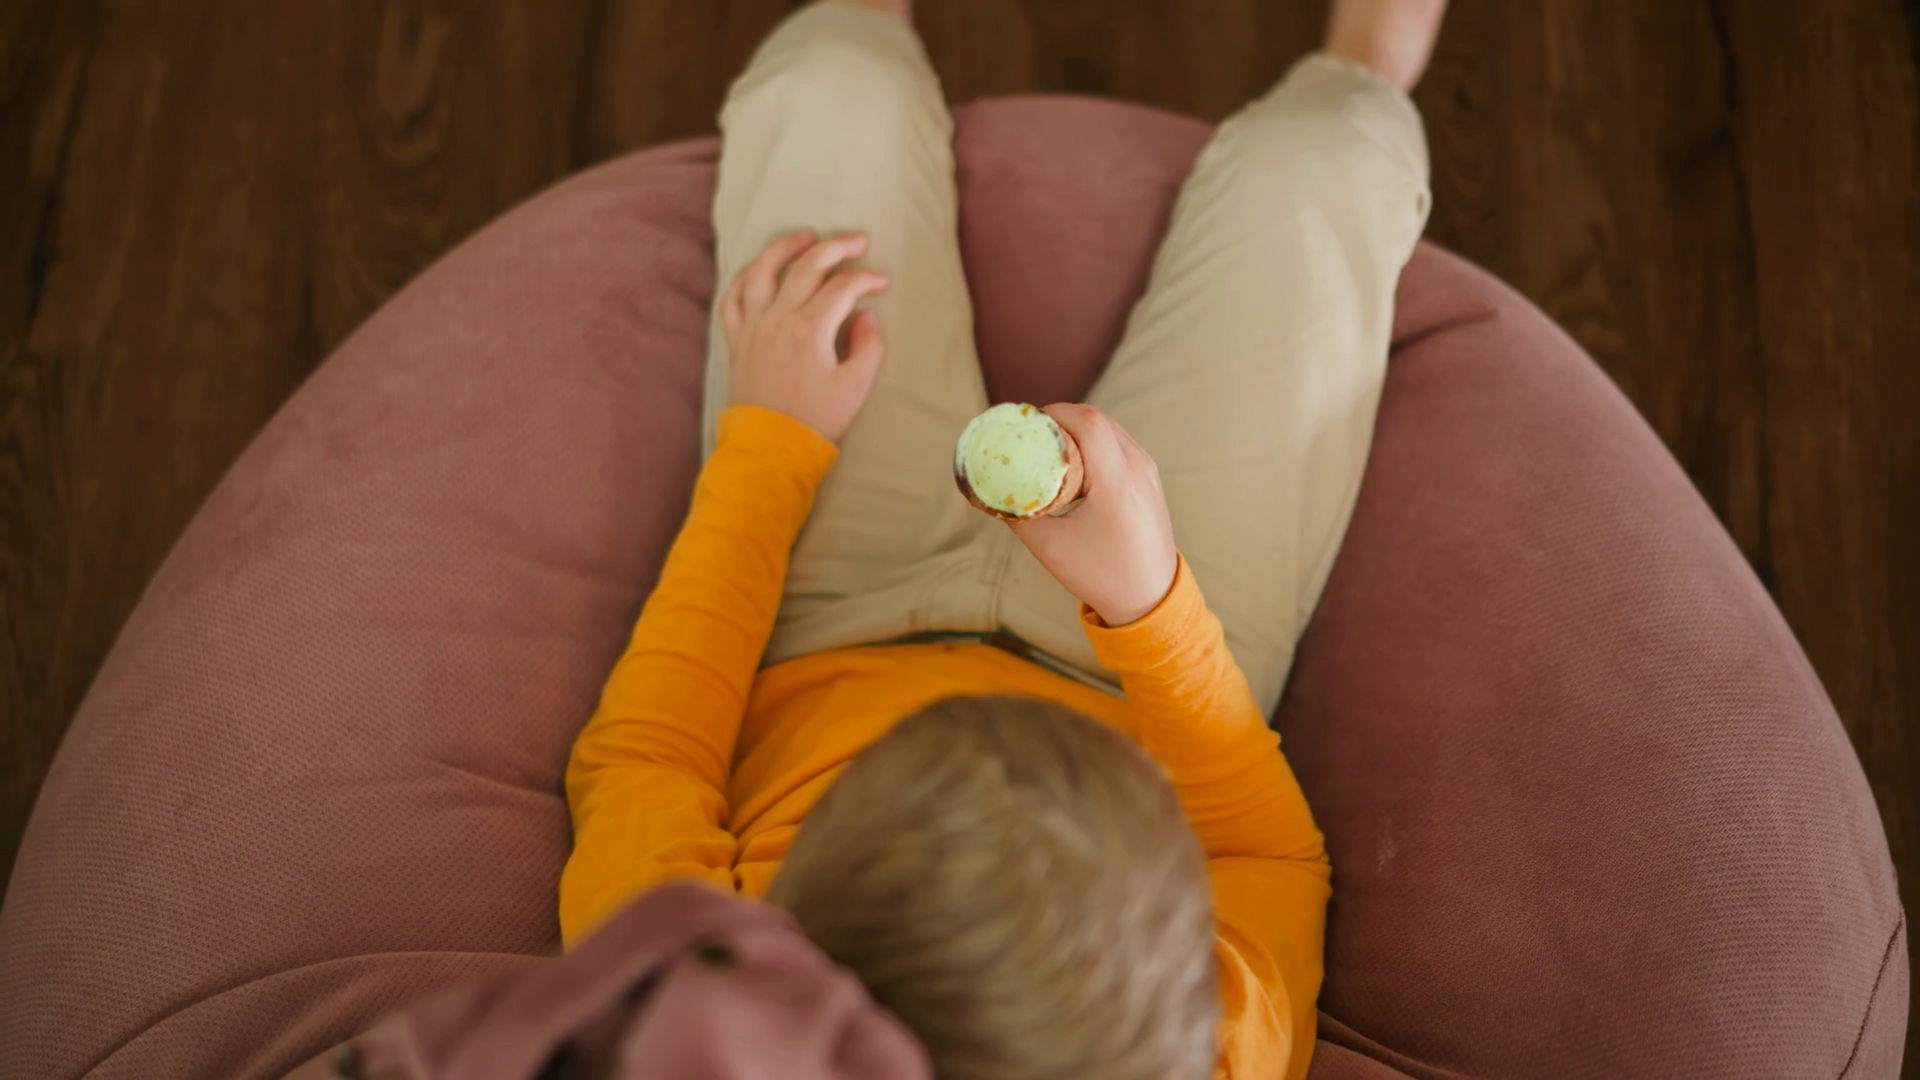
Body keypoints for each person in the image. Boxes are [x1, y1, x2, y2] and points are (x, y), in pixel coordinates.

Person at [560, 0, 1444, 1076]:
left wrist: (771, 441)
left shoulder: (688, 994)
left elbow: (648, 756)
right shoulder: (1212, 1051)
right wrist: (1150, 602)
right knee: (1323, 163)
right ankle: (1371, 60)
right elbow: (1268, 854)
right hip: (1137, 685)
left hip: (833, 616)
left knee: (835, 80)